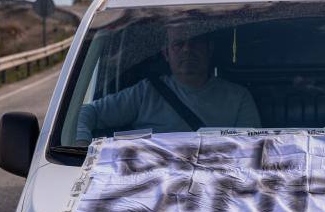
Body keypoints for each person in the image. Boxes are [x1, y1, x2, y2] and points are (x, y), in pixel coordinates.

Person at [76, 28, 261, 142]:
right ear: (166, 53)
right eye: (179, 44)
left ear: (209, 48)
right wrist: (81, 144)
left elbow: (251, 149)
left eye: (195, 41)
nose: (187, 49)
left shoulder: (238, 98)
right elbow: (87, 112)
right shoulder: (145, 93)